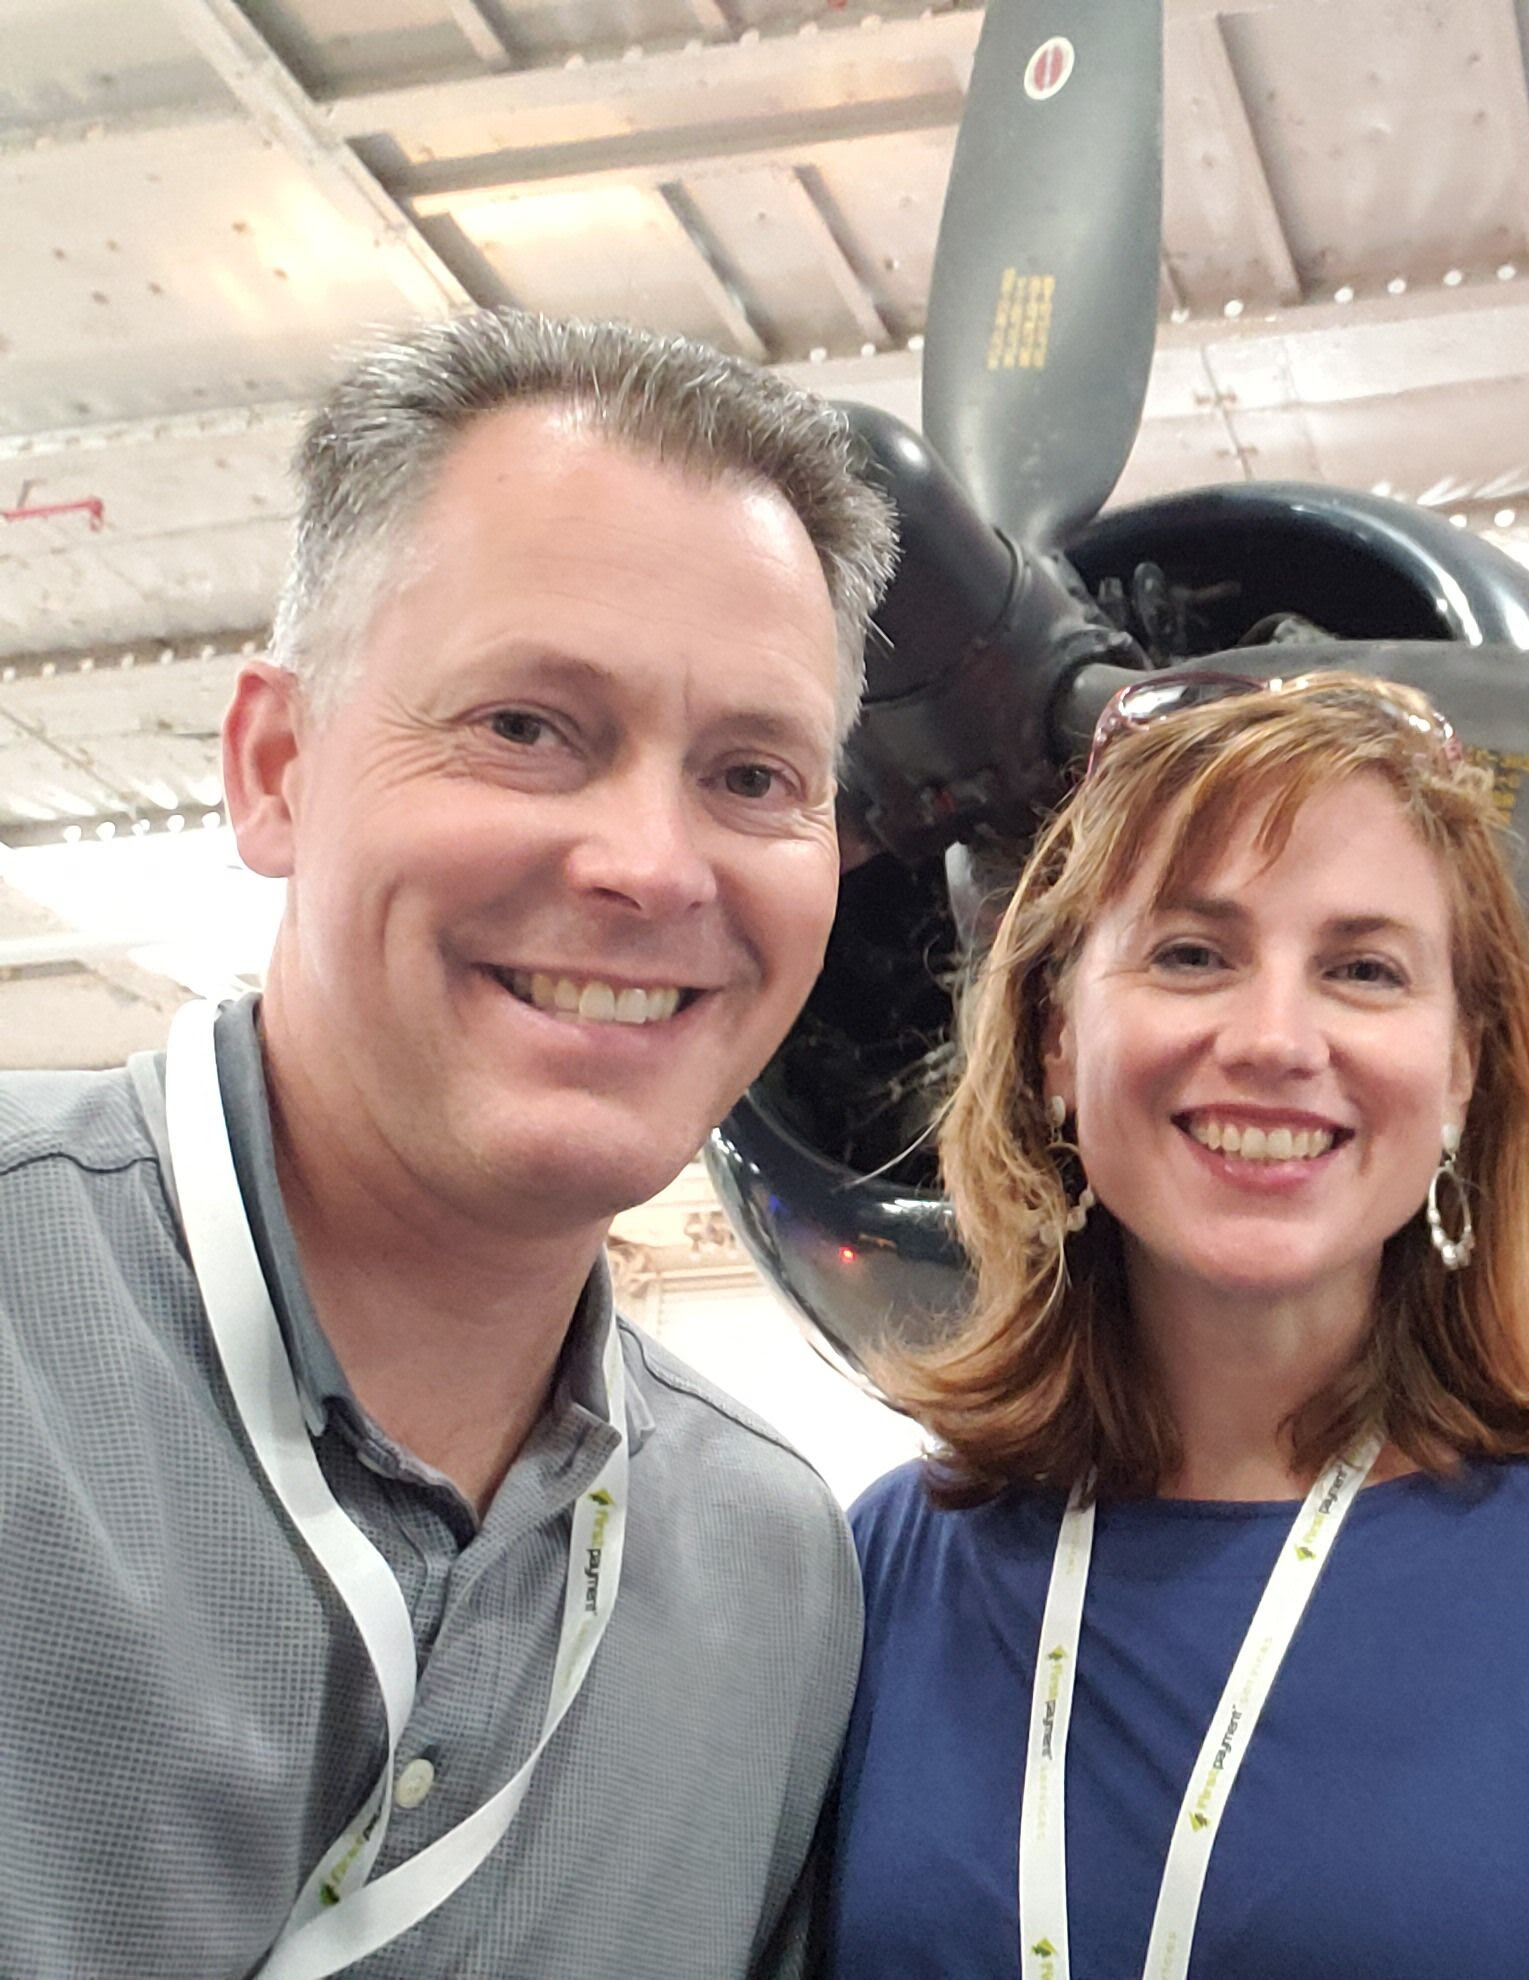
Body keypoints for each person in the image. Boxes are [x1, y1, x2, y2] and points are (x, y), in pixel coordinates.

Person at [826, 672, 1529, 1978]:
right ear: (1050, 1039)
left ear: (1463, 1072)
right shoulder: (891, 1570)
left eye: (1364, 969)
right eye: (1192, 953)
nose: (1273, 1038)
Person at [0, 312, 897, 1978]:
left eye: (754, 773)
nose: (649, 864)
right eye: (526, 727)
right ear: (276, 768)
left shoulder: (779, 1582)